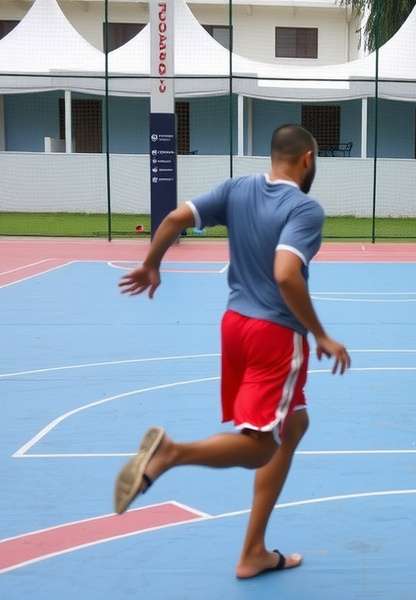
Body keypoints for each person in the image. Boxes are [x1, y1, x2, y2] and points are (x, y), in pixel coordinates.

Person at [114, 124, 350, 579]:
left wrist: (151, 264)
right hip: (275, 335)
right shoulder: (304, 209)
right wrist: (319, 333)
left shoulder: (237, 188)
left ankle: (254, 551)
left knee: (294, 421)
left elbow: (173, 219)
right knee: (261, 448)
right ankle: (170, 453)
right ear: (307, 160)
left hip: (234, 327)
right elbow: (286, 274)